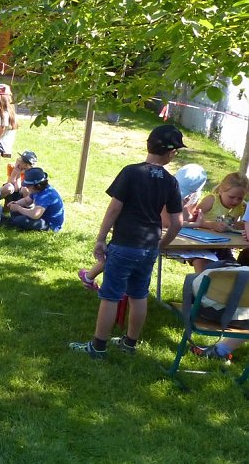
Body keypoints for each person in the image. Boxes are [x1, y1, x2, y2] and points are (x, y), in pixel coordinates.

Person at [69, 124, 185, 358]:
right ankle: (130, 343)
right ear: (171, 153)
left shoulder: (131, 172)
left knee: (111, 295)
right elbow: (177, 223)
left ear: (149, 145)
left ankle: (98, 347)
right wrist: (161, 245)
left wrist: (101, 239)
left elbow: (114, 209)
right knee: (139, 294)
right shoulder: (171, 182)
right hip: (148, 246)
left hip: (124, 244)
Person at [78, 163, 208, 291]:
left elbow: (182, 217)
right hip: (140, 234)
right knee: (118, 261)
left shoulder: (180, 190)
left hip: (146, 237)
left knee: (120, 261)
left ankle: (90, 277)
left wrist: (186, 210)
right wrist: (194, 224)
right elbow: (168, 222)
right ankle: (90, 277)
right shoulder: (167, 187)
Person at [183, 172, 248, 273]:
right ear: (221, 190)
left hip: (224, 247)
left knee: (235, 271)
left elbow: (242, 225)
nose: (235, 201)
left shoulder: (241, 207)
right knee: (203, 269)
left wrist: (240, 226)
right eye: (231, 197)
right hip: (201, 245)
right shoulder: (211, 200)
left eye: (240, 198)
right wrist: (210, 225)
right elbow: (192, 220)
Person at [5, 167, 65, 232]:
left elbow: (35, 215)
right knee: (15, 212)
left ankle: (6, 221)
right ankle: (13, 221)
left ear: (37, 185)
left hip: (50, 225)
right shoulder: (37, 190)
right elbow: (27, 200)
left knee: (23, 220)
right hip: (40, 218)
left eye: (28, 186)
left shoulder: (46, 195)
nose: (26, 188)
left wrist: (18, 208)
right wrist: (16, 203)